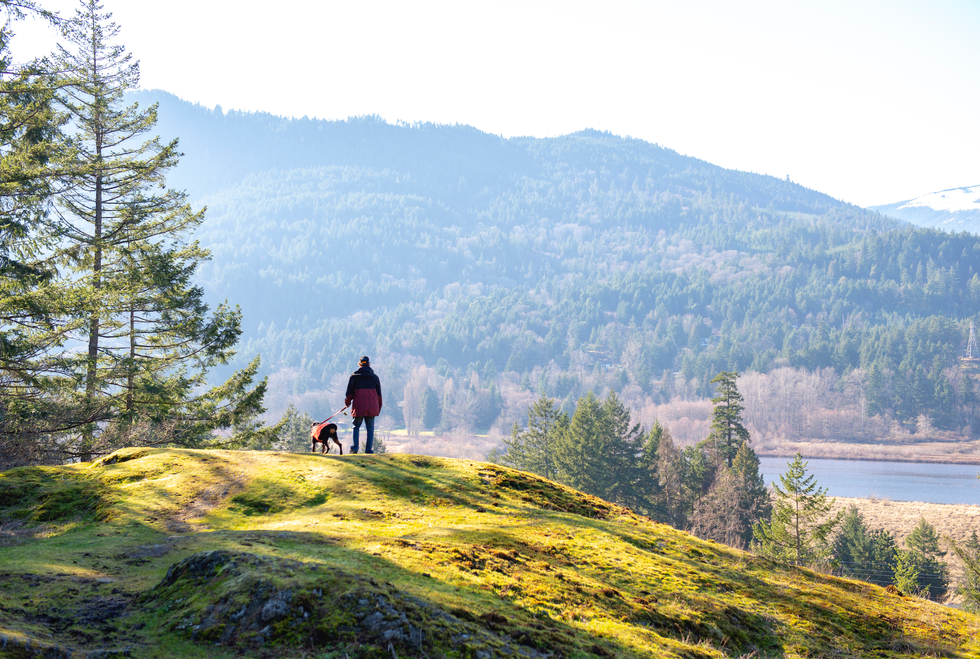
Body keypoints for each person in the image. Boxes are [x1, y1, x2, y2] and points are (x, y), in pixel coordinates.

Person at [344, 356, 382, 454]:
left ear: (360, 364)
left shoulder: (354, 377)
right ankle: (368, 450)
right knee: (370, 428)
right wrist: (377, 408)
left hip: (359, 407)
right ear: (369, 364)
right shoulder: (375, 378)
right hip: (372, 407)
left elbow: (349, 394)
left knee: (356, 426)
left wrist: (347, 403)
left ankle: (355, 448)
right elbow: (379, 396)